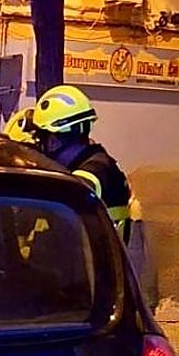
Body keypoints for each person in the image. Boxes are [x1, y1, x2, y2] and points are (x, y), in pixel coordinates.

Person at [18, 85, 133, 241]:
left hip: (93, 263)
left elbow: (66, 197)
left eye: (41, 140)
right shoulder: (100, 162)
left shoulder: (94, 171)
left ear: (52, 141)